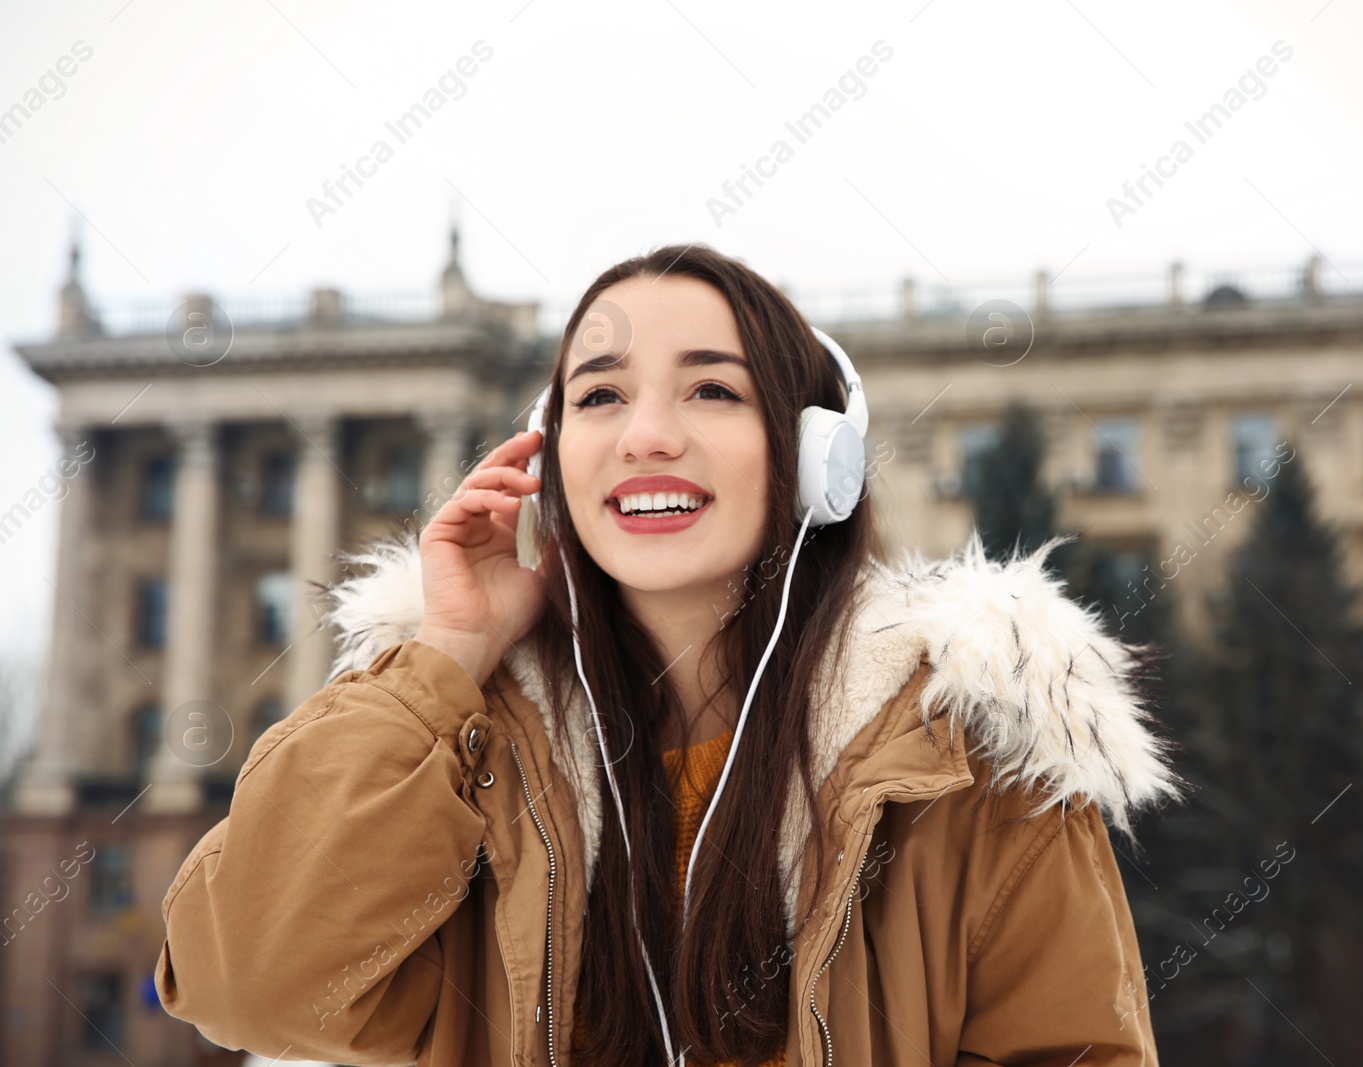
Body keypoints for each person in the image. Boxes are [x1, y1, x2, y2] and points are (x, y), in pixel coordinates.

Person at [154, 243, 1183, 1067]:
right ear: (548, 467)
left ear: (817, 462)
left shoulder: (966, 765)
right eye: (599, 396)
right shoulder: (467, 762)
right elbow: (244, 986)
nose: (646, 433)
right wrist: (447, 655)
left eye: (712, 392)